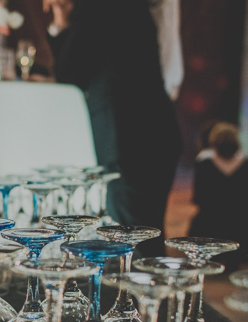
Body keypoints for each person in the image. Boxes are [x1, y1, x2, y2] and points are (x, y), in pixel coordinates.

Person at [44, 0, 183, 257]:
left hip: (126, 137)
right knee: (147, 237)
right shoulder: (134, 8)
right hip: (157, 129)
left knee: (133, 240)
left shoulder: (98, 6)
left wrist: (61, 23)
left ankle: (142, 295)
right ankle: (150, 295)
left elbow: (68, 74)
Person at [189, 122, 248, 271]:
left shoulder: (204, 165)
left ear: (213, 142)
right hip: (242, 228)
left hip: (209, 225)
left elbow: (197, 198)